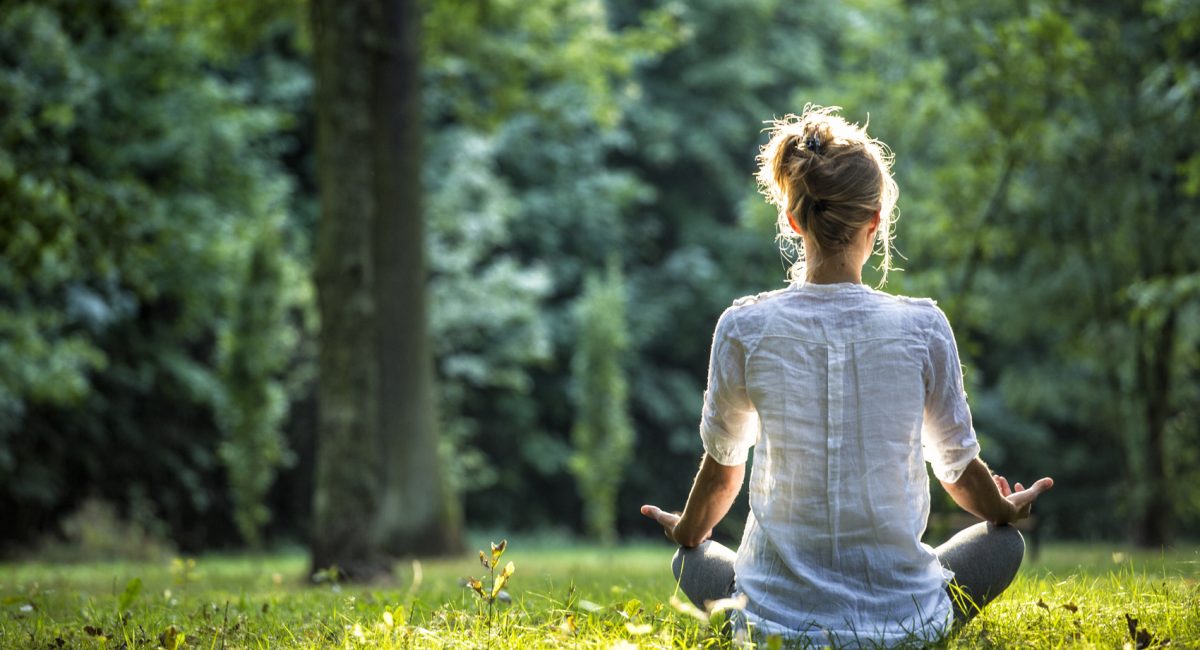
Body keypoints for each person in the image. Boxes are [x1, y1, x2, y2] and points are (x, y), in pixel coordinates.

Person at [640, 105, 1054, 647]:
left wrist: (688, 530)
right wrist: (1003, 508)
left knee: (689, 559)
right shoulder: (923, 326)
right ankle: (911, 628)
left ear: (794, 220)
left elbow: (722, 475)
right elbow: (957, 470)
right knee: (1004, 545)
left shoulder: (744, 326)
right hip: (904, 623)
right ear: (875, 221)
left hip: (773, 627)